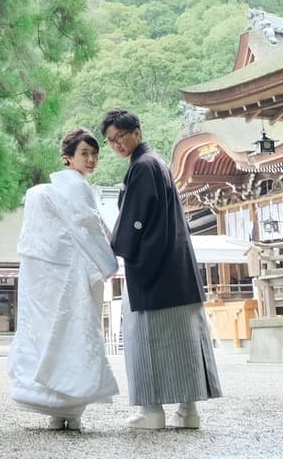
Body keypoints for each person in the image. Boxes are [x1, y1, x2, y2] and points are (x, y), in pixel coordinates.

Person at [103, 108, 221, 431]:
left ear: (136, 132)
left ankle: (151, 410)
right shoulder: (158, 164)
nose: (116, 144)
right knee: (184, 341)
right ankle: (188, 410)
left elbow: (134, 220)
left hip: (153, 271)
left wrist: (115, 248)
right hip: (177, 268)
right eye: (111, 141)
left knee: (145, 338)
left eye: (120, 137)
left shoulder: (142, 167)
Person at [8, 128, 119, 432]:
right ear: (68, 158)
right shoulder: (77, 188)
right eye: (84, 153)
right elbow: (91, 228)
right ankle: (71, 409)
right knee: (74, 331)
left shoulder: (46, 191)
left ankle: (55, 408)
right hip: (72, 273)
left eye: (94, 153)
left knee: (51, 331)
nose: (91, 159)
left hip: (52, 275)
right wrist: (109, 263)